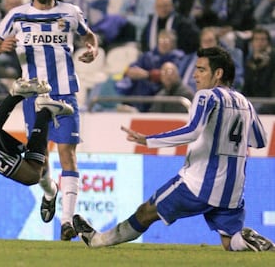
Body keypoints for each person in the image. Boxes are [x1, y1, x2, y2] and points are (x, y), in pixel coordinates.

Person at [73, 46, 275, 252]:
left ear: (218, 73)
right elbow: (259, 140)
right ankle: (248, 239)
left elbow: (193, 131)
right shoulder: (245, 103)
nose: (195, 75)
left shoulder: (207, 96)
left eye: (201, 69)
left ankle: (97, 240)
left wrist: (148, 140)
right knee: (229, 242)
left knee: (146, 212)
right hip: (232, 189)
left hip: (198, 183)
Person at [0, 0, 99, 241]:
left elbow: (89, 35)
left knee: (68, 154)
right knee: (40, 162)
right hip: (33, 95)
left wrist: (92, 48)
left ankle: (66, 221)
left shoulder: (70, 12)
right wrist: (0, 47)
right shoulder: (16, 15)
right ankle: (50, 192)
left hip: (64, 93)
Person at [115, 29, 185, 112]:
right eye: (161, 40)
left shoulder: (177, 58)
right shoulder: (148, 56)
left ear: (173, 44)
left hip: (159, 92)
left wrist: (148, 75)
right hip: (137, 93)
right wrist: (131, 72)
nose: (163, 43)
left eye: (167, 40)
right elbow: (131, 69)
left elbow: (172, 76)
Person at [242, 27, 275, 114]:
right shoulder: (249, 62)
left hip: (267, 101)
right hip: (252, 100)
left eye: (263, 39)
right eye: (256, 39)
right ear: (252, 42)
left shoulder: (273, 59)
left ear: (268, 42)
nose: (259, 42)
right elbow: (247, 86)